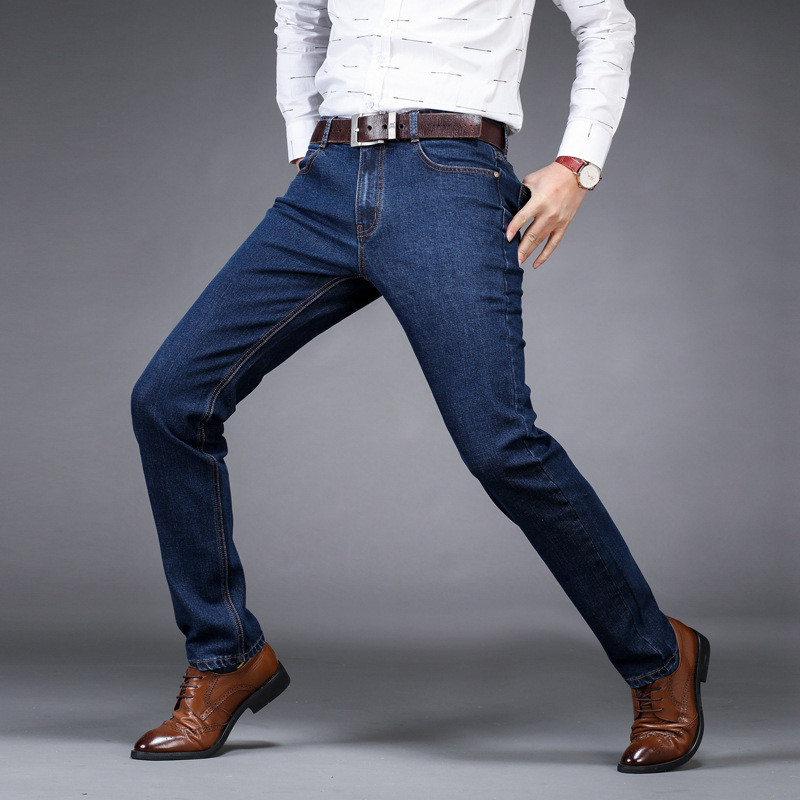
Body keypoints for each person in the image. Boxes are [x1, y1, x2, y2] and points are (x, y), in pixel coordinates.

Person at [129, 0, 710, 772]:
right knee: (169, 399)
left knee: (500, 446)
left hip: (451, 177)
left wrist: (578, 164)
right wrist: (305, 142)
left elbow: (606, 23)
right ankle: (225, 655)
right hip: (328, 179)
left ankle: (657, 654)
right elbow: (298, 18)